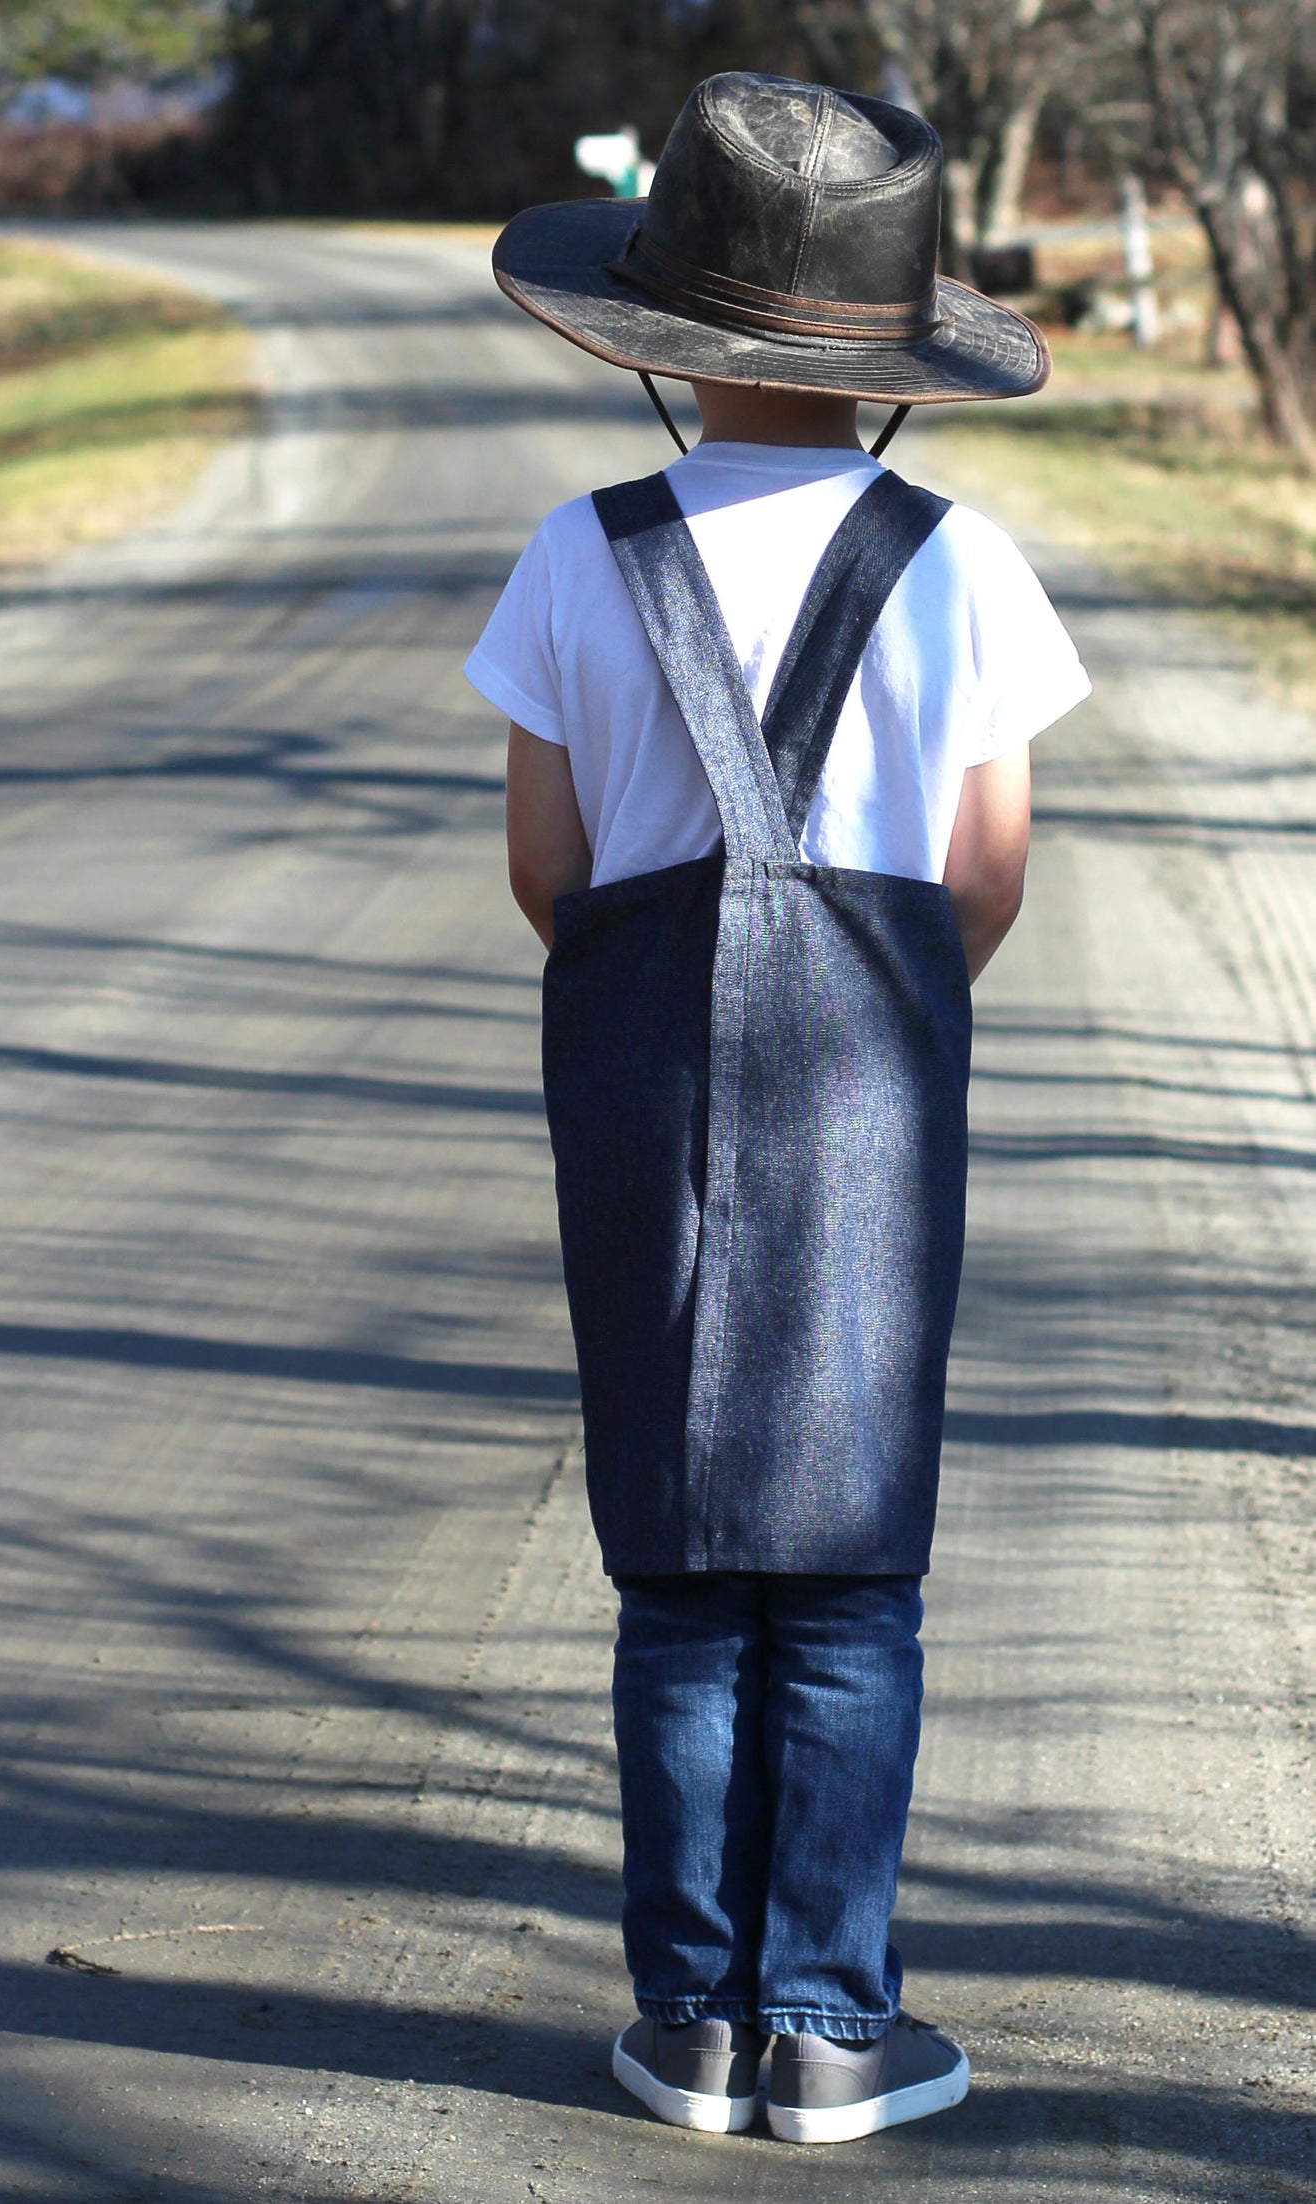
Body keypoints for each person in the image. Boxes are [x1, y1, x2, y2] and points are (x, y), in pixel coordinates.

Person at [464, 71, 1090, 2146]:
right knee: (848, 1571)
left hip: (641, 1081)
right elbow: (986, 868)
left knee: (675, 1566)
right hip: (880, 1082)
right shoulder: (964, 562)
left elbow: (549, 869)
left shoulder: (582, 552)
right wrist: (871, 1003)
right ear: (891, 367)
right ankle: (833, 2020)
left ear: (668, 347)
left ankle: (692, 2025)